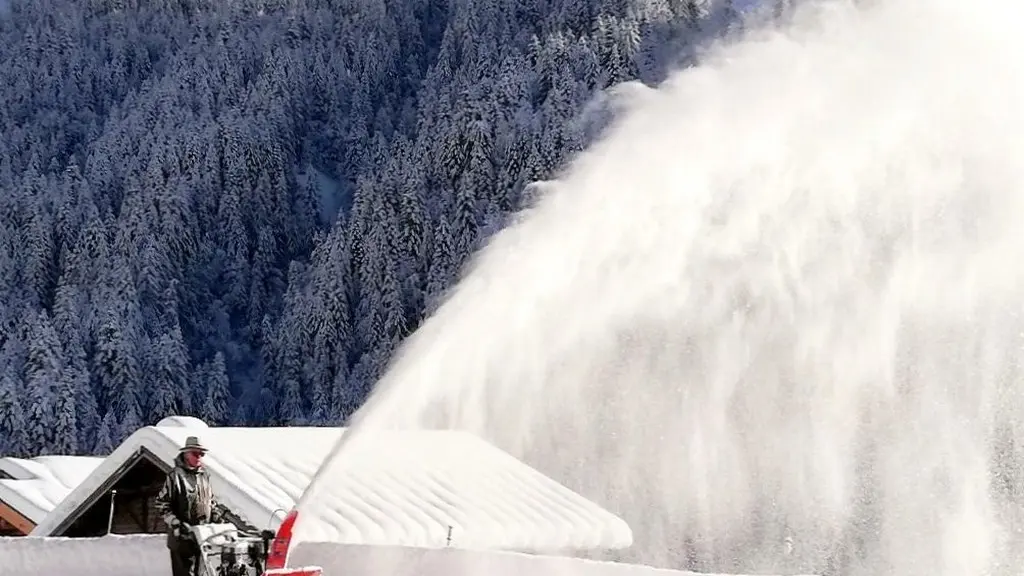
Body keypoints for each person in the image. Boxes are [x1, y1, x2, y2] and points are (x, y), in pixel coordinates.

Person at [155, 436, 227, 576]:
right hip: (182, 539)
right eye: (195, 453)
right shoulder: (175, 476)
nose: (199, 456)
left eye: (202, 453)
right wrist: (176, 523)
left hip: (202, 538)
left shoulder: (205, 476)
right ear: (186, 454)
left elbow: (210, 501)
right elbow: (161, 504)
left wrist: (215, 515)